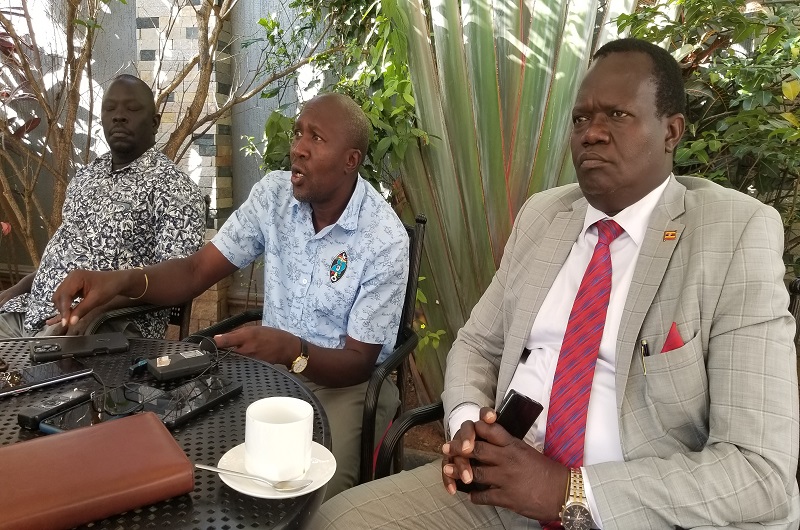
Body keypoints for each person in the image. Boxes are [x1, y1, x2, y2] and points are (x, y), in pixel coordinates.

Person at [311, 38, 800, 529]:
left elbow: (759, 471)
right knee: (337, 520)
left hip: (635, 506)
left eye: (617, 115)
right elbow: (477, 343)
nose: (592, 133)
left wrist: (569, 491)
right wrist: (466, 427)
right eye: (581, 119)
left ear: (671, 132)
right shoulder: (545, 216)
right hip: (504, 485)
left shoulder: (733, 234)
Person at [52, 92, 410, 499]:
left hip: (347, 388)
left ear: (351, 160)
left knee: (315, 499)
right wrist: (120, 280)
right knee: (203, 470)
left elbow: (359, 362)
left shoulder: (383, 238)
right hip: (273, 372)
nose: (298, 148)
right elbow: (195, 271)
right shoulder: (273, 198)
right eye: (297, 133)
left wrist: (291, 348)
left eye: (316, 138)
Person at [0, 74, 205, 339]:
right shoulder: (86, 176)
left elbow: (179, 278)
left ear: (154, 123)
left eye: (131, 109)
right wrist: (14, 289)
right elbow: (66, 256)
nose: (119, 116)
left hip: (106, 324)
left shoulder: (174, 188)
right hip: (30, 311)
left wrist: (98, 309)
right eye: (110, 109)